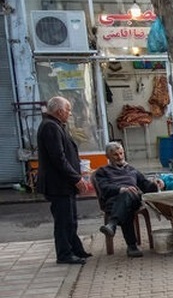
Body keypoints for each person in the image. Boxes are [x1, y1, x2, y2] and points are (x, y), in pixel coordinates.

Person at [37, 96, 90, 265]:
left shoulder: (57, 125)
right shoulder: (50, 127)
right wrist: (76, 178)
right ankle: (64, 253)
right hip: (58, 184)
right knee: (64, 220)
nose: (69, 113)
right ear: (59, 111)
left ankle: (75, 248)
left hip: (64, 184)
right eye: (68, 110)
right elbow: (58, 158)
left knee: (71, 218)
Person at [94, 142, 163, 257]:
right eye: (115, 155)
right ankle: (131, 247)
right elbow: (104, 188)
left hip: (133, 198)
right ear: (108, 157)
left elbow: (146, 186)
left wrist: (157, 184)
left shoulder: (132, 170)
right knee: (126, 207)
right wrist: (120, 189)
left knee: (128, 195)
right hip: (113, 202)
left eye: (121, 153)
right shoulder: (102, 172)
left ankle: (113, 224)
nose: (120, 157)